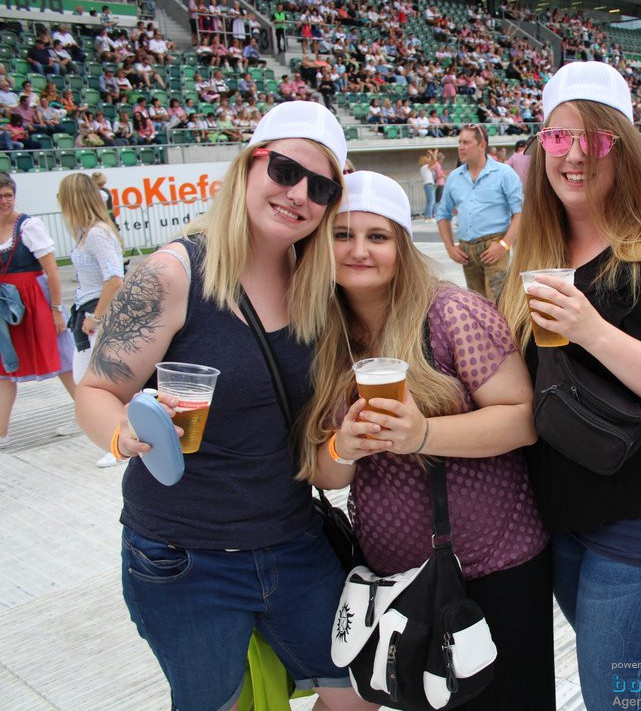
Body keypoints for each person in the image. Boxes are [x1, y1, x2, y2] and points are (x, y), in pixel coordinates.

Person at [73, 102, 373, 711]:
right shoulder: (172, 273)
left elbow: (320, 452)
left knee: (359, 695)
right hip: (184, 557)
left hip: (293, 541)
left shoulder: (320, 289)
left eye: (321, 187)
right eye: (286, 171)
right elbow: (97, 391)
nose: (299, 195)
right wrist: (123, 436)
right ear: (249, 166)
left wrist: (349, 438)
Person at [500, 61, 641, 711]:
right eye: (558, 138)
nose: (575, 155)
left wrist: (591, 330)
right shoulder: (535, 255)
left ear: (621, 149)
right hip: (568, 526)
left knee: (618, 703)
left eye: (594, 139)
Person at [300, 170, 554, 711]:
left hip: (491, 572)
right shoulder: (322, 335)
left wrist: (424, 434)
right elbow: (325, 474)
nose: (358, 250)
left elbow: (523, 419)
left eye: (377, 236)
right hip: (398, 583)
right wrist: (345, 444)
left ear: (401, 246)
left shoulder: (450, 313)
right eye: (342, 236)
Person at [0, 173, 79, 447]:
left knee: (62, 360)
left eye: (8, 195)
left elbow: (52, 270)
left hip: (36, 301)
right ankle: (2, 431)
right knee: (4, 366)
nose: (4, 201)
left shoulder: (28, 226)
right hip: (6, 305)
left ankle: (87, 412)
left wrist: (57, 309)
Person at [57, 173, 126, 468]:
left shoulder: (97, 233)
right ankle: (94, 423)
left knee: (100, 382)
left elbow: (114, 277)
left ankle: (117, 439)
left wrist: (96, 316)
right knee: (85, 378)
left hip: (97, 315)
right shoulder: (88, 232)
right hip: (88, 312)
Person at [436, 123, 523, 302]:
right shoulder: (454, 177)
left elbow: (520, 213)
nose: (461, 146)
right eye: (459, 142)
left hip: (494, 245)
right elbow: (443, 214)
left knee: (498, 304)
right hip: (467, 251)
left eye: (466, 142)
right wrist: (450, 247)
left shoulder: (504, 173)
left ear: (482, 145)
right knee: (477, 306)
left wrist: (504, 245)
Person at [419, 151, 436, 221]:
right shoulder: (426, 167)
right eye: (427, 158)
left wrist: (431, 155)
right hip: (429, 184)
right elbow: (434, 161)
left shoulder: (423, 168)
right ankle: (429, 217)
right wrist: (432, 154)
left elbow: (433, 163)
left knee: (429, 201)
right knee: (431, 201)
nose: (428, 159)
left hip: (426, 185)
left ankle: (427, 216)